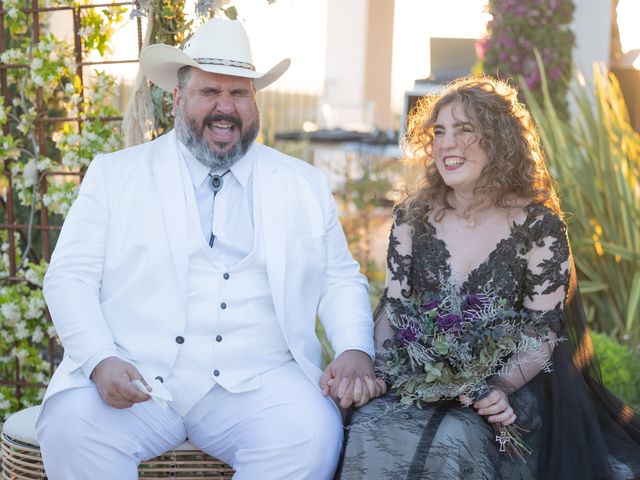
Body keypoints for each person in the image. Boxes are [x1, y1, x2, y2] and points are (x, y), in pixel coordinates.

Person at [36, 18, 382, 480]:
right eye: (209, 92)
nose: (226, 108)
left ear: (255, 102)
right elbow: (68, 277)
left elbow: (338, 278)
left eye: (239, 93)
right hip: (136, 377)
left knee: (311, 432)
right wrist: (100, 359)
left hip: (258, 383)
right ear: (178, 99)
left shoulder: (303, 184)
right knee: (70, 428)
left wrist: (355, 348)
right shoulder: (115, 175)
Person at [339, 76, 640, 479]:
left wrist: (496, 388)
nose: (447, 143)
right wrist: (393, 373)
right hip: (418, 378)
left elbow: (542, 334)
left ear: (498, 142)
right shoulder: (411, 217)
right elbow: (393, 311)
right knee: (369, 424)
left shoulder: (539, 226)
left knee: (455, 437)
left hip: (512, 384)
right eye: (440, 131)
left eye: (464, 131)